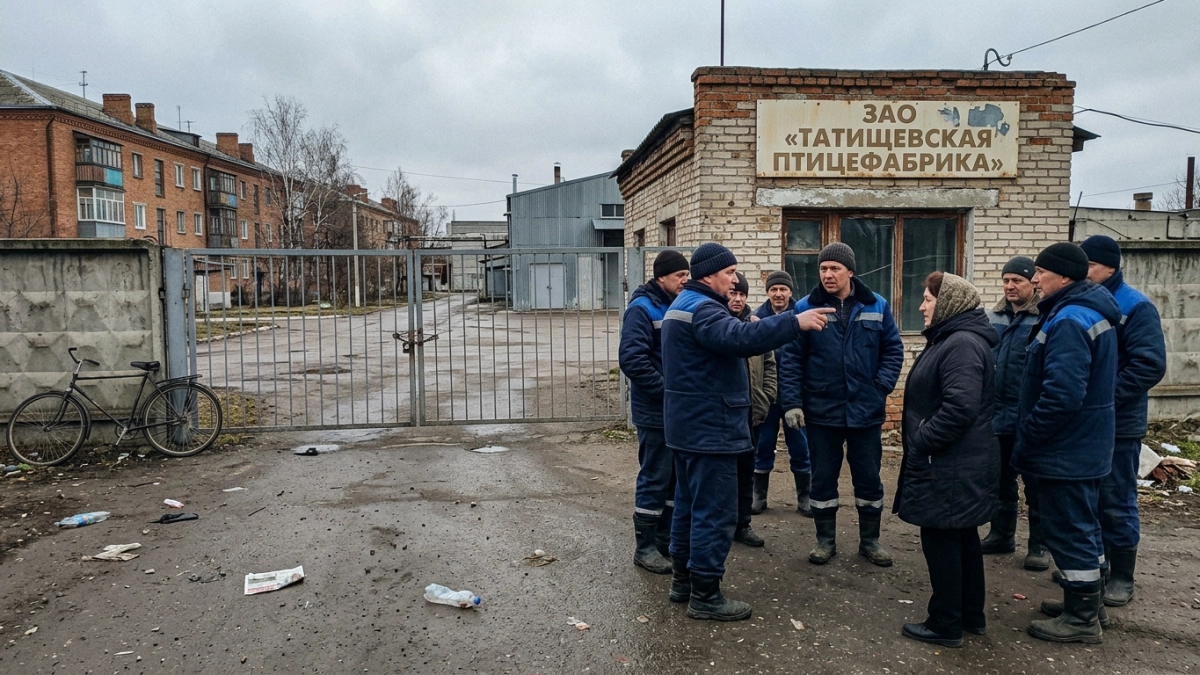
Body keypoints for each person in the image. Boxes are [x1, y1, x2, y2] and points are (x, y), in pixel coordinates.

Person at [662, 242, 833, 621]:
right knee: (714, 511)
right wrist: (795, 322)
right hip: (710, 430)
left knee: (688, 506)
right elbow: (738, 341)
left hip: (688, 427)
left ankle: (683, 582)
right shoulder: (704, 308)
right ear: (709, 275)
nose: (734, 279)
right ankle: (705, 595)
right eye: (729, 272)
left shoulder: (681, 305)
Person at [1015, 242, 1120, 644]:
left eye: (1041, 272)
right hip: (1085, 445)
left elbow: (1062, 395)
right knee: (1086, 527)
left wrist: (1031, 435)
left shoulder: (1070, 320)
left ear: (1064, 277)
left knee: (1070, 528)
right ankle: (1089, 604)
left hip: (1066, 449)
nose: (1035, 279)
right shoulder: (1089, 312)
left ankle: (1080, 620)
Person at [779, 242, 905, 567]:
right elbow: (791, 360)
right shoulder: (806, 307)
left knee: (868, 478)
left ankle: (870, 541)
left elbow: (893, 350)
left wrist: (880, 388)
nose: (828, 274)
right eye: (823, 268)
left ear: (850, 271)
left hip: (866, 412)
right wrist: (792, 403)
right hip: (822, 413)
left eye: (835, 268)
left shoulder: (876, 305)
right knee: (822, 479)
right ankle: (825, 541)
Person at [894, 272, 999, 648]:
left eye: (928, 299)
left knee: (941, 540)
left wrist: (922, 440)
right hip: (959, 462)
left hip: (951, 464)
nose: (922, 306)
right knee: (961, 538)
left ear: (949, 304)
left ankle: (944, 623)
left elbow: (960, 406)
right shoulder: (955, 339)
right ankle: (971, 615)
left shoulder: (961, 344)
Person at [1078, 235, 1167, 606]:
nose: (1083, 273)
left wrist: (1104, 397)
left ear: (1109, 268)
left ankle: (1122, 575)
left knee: (1117, 499)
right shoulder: (1089, 301)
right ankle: (1094, 569)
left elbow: (1149, 364)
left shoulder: (1135, 306)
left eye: (1089, 267)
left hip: (1120, 422)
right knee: (1090, 497)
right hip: (1090, 421)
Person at [618, 250, 689, 575]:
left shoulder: (673, 304)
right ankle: (644, 547)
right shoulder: (642, 309)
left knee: (674, 478)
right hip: (654, 411)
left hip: (674, 411)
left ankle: (663, 540)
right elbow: (633, 360)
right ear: (662, 277)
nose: (685, 280)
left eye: (687, 275)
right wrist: (666, 391)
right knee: (655, 477)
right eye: (679, 276)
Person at [982, 257, 1049, 570]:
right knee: (1000, 480)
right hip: (997, 416)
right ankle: (1001, 534)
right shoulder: (993, 316)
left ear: (1031, 283)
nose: (1009, 286)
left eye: (1017, 281)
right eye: (1006, 280)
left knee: (1036, 485)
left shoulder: (1043, 317)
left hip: (1029, 417)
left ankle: (1039, 545)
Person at [750, 270, 813, 517]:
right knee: (763, 444)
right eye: (774, 289)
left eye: (782, 289)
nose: (778, 294)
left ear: (790, 291)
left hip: (794, 394)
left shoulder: (801, 316)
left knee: (800, 443)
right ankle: (759, 496)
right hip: (767, 395)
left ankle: (805, 496)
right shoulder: (756, 318)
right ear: (768, 292)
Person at [728, 272, 774, 547]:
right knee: (724, 475)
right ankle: (722, 525)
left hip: (753, 414)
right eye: (733, 293)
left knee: (747, 472)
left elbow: (770, 364)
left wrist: (767, 396)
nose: (737, 299)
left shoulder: (755, 325)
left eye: (742, 294)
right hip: (727, 416)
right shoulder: (719, 324)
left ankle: (742, 524)